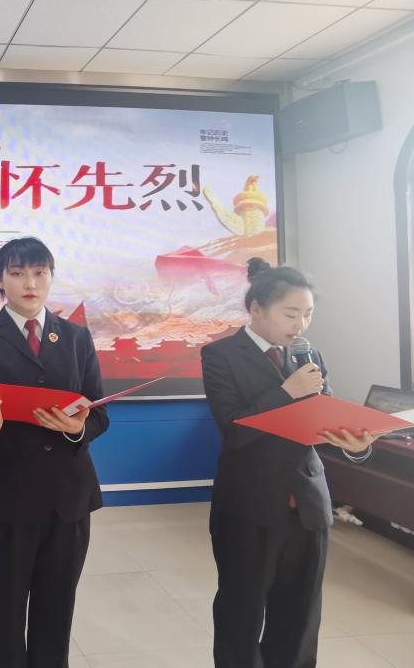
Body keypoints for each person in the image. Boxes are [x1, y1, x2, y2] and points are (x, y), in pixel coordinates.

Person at [202, 257, 378, 668]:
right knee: (241, 612)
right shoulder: (220, 354)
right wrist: (286, 392)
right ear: (257, 308)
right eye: (291, 313)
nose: (300, 325)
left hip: (308, 505)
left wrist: (355, 444)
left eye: (308, 314)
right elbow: (234, 430)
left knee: (299, 617)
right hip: (249, 506)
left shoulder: (308, 353)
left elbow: (323, 421)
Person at [0, 236, 109, 668]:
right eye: (17, 273)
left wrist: (78, 428)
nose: (30, 283)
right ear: (0, 281)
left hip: (67, 498)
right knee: (5, 614)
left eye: (39, 272)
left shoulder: (76, 337)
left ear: (51, 277)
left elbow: (99, 412)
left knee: (57, 612)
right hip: (5, 497)